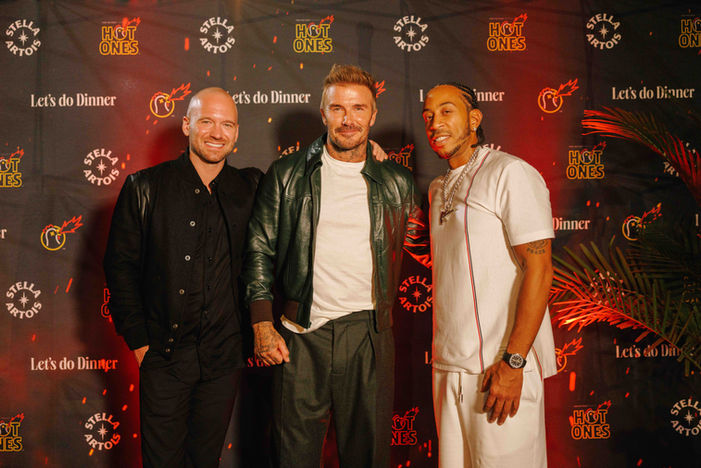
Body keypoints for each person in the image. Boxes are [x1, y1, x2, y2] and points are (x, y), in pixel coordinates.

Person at [242, 64, 430, 468]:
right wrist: (261, 323)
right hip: (299, 335)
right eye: (338, 108)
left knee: (369, 456)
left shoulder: (397, 181)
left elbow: (426, 247)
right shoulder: (287, 174)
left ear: (373, 115)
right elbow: (259, 248)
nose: (348, 119)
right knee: (292, 457)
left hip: (369, 334)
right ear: (323, 113)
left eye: (358, 108)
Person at [103, 87, 261, 467]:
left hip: (224, 357)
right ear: (187, 125)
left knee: (205, 461)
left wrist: (366, 156)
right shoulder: (144, 187)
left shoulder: (253, 187)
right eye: (207, 122)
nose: (217, 133)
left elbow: (303, 185)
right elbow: (120, 267)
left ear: (237, 133)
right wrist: (140, 343)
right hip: (164, 356)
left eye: (227, 125)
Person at [422, 83, 557, 468]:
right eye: (428, 116)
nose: (434, 123)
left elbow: (540, 269)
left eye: (446, 111)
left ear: (474, 119)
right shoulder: (437, 188)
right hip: (448, 369)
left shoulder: (509, 172)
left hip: (499, 370)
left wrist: (514, 363)